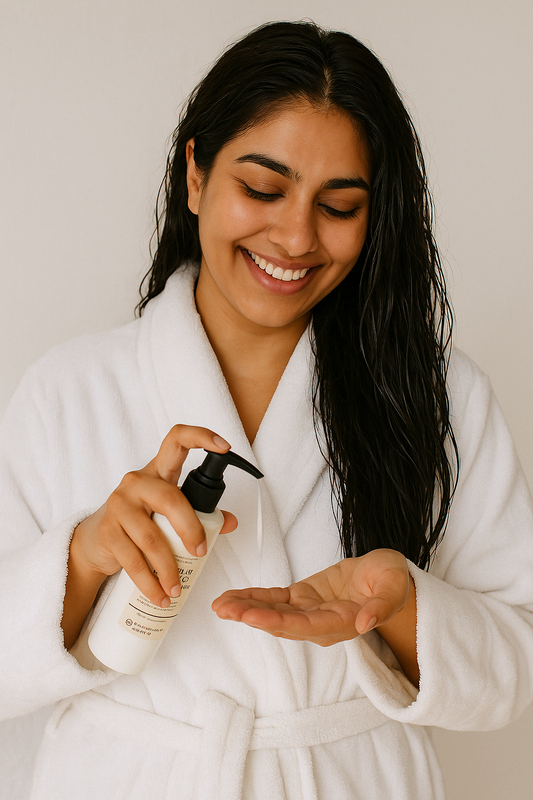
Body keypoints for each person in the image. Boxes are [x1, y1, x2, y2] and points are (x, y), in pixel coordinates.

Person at [1, 20, 532, 800]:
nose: (294, 236)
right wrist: (83, 560)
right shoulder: (70, 388)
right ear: (194, 174)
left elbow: (515, 667)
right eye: (261, 188)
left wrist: (403, 607)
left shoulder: (435, 395)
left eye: (339, 205)